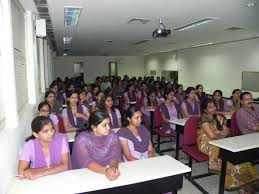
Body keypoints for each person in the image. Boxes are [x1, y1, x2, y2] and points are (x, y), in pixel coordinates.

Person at [197, 99, 258, 192]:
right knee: (228, 157)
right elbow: (211, 136)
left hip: (221, 141)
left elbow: (227, 131)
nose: (213, 108)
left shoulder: (218, 117)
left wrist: (219, 132)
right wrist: (221, 133)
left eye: (214, 106)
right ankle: (239, 184)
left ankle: (248, 181)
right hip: (206, 143)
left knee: (237, 155)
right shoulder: (203, 119)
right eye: (210, 107)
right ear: (205, 110)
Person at [72, 111, 122, 181]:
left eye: (109, 124)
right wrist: (106, 171)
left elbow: (114, 155)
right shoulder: (82, 139)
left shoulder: (112, 135)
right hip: (87, 174)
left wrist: (113, 168)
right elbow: (87, 161)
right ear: (94, 128)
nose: (109, 127)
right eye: (104, 125)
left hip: (107, 170)